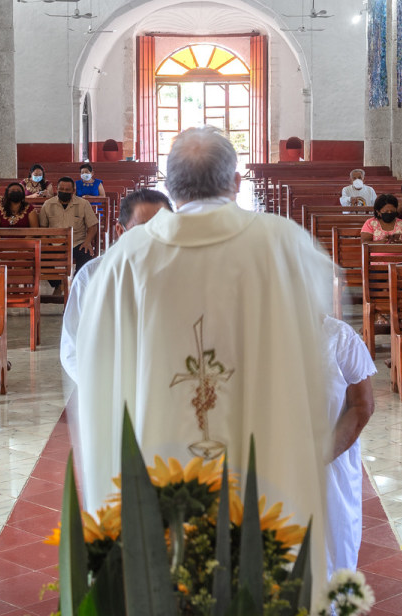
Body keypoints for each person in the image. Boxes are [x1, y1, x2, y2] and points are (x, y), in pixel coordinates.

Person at [70, 127, 336, 588]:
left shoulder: (125, 258)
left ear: (170, 187)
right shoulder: (285, 244)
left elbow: (97, 371)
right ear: (236, 182)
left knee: (168, 580)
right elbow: (317, 345)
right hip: (264, 463)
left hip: (157, 461)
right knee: (264, 576)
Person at [60, 188, 173, 380]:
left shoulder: (184, 270)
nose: (154, 235)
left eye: (162, 227)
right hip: (109, 381)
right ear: (121, 231)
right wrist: (96, 386)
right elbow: (72, 346)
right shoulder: (92, 275)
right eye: (143, 228)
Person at [322, 313, 376, 576]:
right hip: (273, 465)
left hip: (329, 468)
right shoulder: (259, 336)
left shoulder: (340, 338)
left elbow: (361, 407)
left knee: (330, 549)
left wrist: (319, 455)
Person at [39, 176, 101, 269]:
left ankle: (77, 278)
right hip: (55, 243)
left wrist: (87, 242)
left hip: (77, 243)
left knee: (86, 254)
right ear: (57, 189)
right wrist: (45, 242)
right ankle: (55, 279)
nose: (64, 191)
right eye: (61, 189)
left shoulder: (83, 204)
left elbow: (92, 226)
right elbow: (43, 227)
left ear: (73, 191)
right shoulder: (48, 204)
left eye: (67, 190)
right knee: (40, 256)